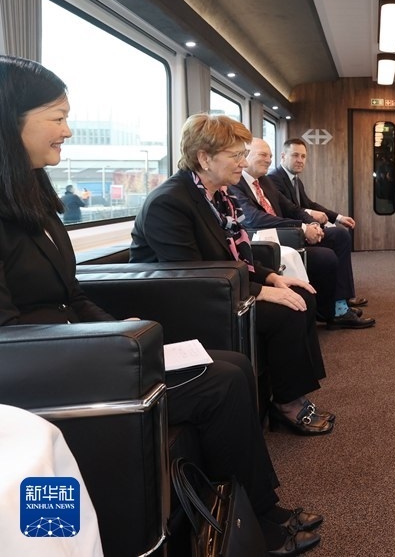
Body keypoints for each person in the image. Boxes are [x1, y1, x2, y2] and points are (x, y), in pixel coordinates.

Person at [0, 56, 322, 555]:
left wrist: (118, 331)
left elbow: (73, 296)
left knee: (234, 367)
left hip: (86, 348)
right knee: (222, 381)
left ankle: (250, 511)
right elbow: (10, 335)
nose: (68, 130)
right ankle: (264, 522)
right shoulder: (169, 201)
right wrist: (116, 347)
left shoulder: (33, 200)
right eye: (57, 117)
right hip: (50, 371)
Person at [131, 114, 336, 438]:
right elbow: (192, 276)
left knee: (302, 295)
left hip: (216, 286)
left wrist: (271, 278)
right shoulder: (170, 202)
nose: (243, 162)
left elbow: (234, 257)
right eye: (236, 155)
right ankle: (287, 404)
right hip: (183, 302)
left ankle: (290, 391)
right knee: (287, 311)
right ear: (204, 158)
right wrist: (257, 291)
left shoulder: (217, 198)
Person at [230, 138, 374, 329]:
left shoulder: (264, 182)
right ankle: (333, 311)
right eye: (263, 155)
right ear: (245, 155)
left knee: (340, 235)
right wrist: (303, 228)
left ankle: (339, 303)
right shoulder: (235, 184)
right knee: (326, 257)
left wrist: (311, 224)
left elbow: (293, 208)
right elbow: (254, 219)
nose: (269, 160)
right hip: (269, 240)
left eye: (270, 156)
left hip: (289, 232)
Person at [268, 138, 367, 309]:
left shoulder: (295, 180)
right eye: (295, 155)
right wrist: (311, 223)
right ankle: (340, 302)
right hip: (289, 232)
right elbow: (290, 210)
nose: (300, 160)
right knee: (339, 236)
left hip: (301, 227)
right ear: (283, 156)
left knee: (340, 233)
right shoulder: (274, 179)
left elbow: (309, 204)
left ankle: (342, 298)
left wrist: (338, 217)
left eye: (303, 156)